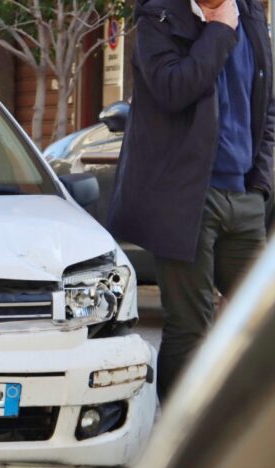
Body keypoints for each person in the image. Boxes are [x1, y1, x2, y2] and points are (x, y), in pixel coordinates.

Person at [109, 0, 274, 401]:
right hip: (186, 199)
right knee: (191, 327)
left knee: (262, 323)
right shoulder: (159, 18)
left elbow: (267, 103)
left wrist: (261, 184)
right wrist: (219, 31)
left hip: (244, 197)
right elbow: (174, 88)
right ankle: (178, 444)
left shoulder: (252, 15)